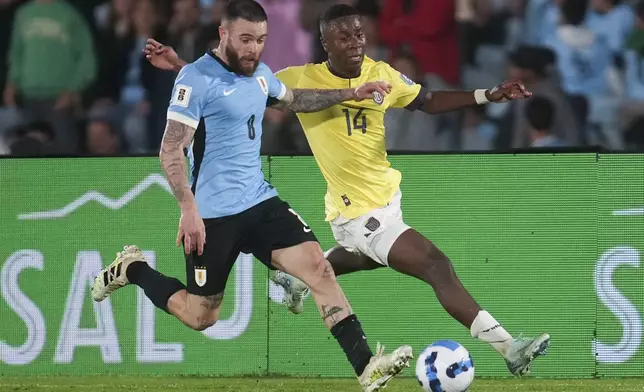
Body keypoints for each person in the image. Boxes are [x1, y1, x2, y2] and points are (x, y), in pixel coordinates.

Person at [143, 3, 550, 378]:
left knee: (357, 263)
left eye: (359, 35)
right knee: (434, 264)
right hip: (355, 211)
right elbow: (229, 85)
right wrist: (183, 68)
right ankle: (509, 347)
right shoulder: (298, 77)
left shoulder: (382, 73)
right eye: (344, 37)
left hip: (384, 200)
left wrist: (487, 95)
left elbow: (426, 99)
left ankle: (300, 285)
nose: (355, 43)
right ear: (325, 43)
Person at [92, 2, 412, 392]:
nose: (254, 49)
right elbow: (171, 148)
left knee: (319, 268)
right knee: (201, 317)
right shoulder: (194, 78)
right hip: (212, 215)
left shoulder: (258, 74)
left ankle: (366, 366)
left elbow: (294, 100)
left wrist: (351, 91)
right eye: (245, 39)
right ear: (223, 34)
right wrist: (188, 208)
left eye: (260, 40)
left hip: (260, 202)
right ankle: (133, 269)